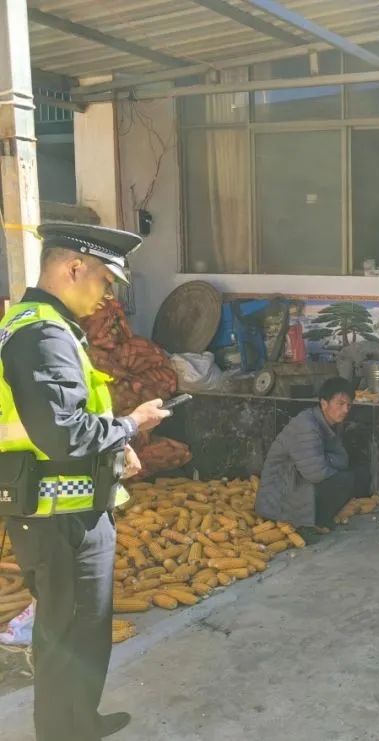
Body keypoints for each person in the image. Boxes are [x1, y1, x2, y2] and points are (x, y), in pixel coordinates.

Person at [1, 223, 172, 741]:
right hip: (60, 519)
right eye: (104, 280)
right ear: (74, 267)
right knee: (68, 635)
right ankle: (63, 731)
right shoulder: (43, 334)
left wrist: (115, 449)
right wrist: (133, 425)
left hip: (63, 510)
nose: (106, 296)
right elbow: (66, 434)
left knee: (80, 631)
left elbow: (61, 424)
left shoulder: (37, 324)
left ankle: (80, 723)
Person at [255, 377, 369, 541]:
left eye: (348, 405)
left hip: (300, 479)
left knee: (356, 474)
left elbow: (342, 459)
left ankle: (317, 518)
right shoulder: (307, 427)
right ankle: (306, 523)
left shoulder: (328, 423)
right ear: (324, 403)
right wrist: (327, 461)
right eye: (340, 404)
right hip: (280, 494)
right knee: (344, 480)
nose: (345, 410)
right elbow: (316, 473)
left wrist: (324, 459)